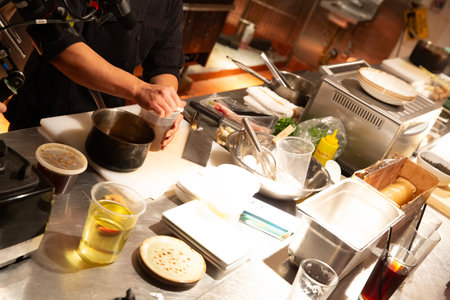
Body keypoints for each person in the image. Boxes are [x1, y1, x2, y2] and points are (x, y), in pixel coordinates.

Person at [3, 0, 185, 149]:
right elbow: (60, 44)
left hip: (109, 118)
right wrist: (139, 89)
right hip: (46, 109)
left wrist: (168, 108)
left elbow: (166, 63)